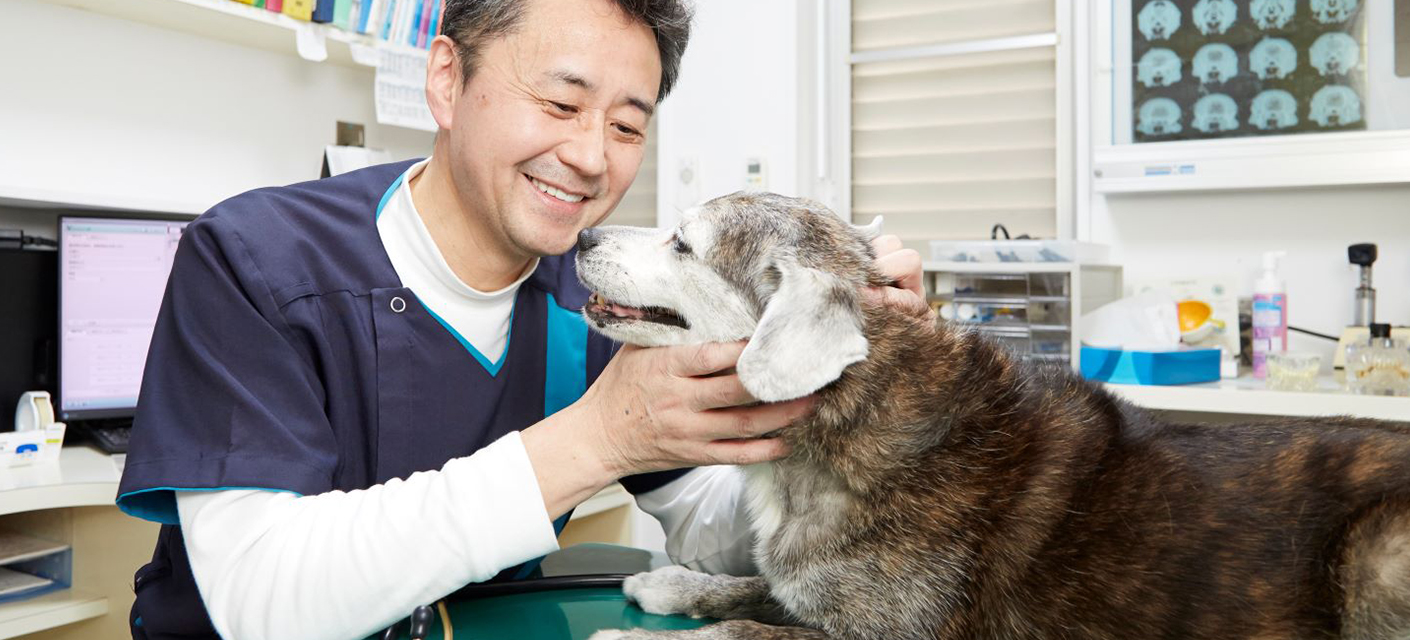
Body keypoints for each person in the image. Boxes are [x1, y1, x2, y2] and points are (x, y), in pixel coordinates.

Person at [115, 0, 927, 638]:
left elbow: (710, 528)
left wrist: (852, 410)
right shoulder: (254, 260)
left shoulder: (606, 302)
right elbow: (263, 601)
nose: (590, 156)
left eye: (625, 126)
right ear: (446, 80)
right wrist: (598, 438)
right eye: (560, 102)